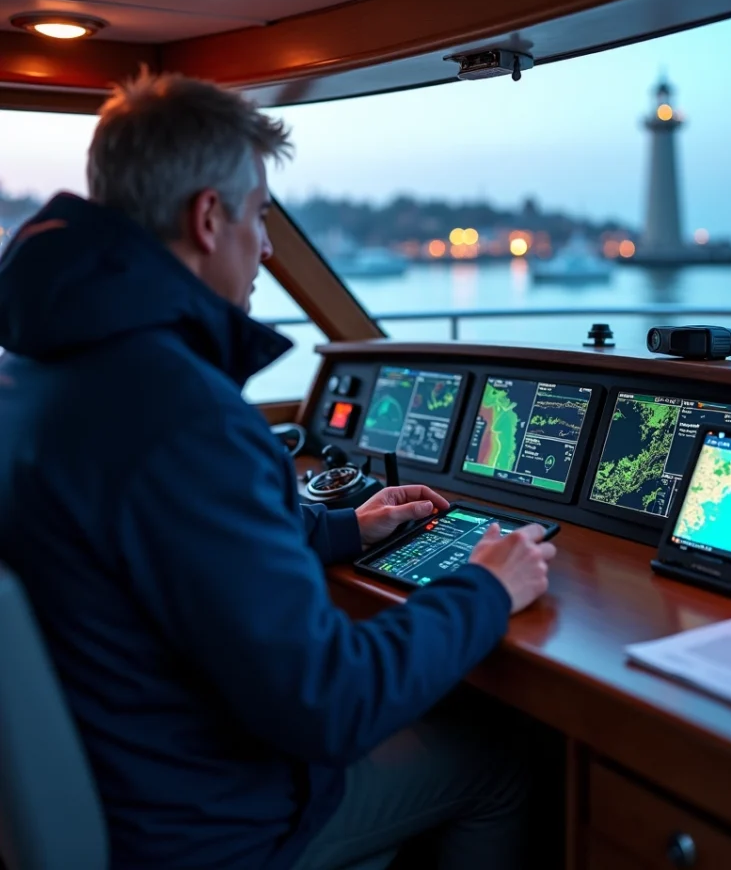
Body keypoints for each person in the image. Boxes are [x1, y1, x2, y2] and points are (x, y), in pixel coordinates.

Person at [0, 72, 556, 870]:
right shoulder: (181, 412)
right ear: (207, 216)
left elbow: (157, 541)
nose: (265, 246)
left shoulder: (36, 371)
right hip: (204, 829)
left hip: (115, 776)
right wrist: (487, 587)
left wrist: (343, 529)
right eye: (260, 215)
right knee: (500, 757)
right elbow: (331, 703)